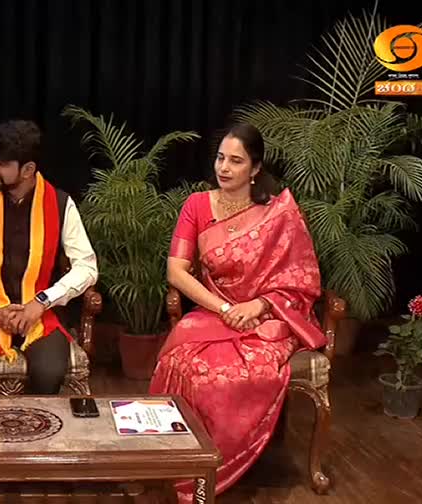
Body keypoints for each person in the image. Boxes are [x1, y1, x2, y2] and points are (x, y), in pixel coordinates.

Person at [149, 123, 326, 502]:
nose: (224, 168)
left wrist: (258, 305)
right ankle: (181, 464)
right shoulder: (197, 205)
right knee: (180, 362)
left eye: (236, 161)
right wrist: (226, 308)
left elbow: (301, 278)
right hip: (214, 312)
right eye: (220, 158)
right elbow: (176, 271)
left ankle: (216, 466)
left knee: (231, 375)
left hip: (267, 318)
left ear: (255, 168)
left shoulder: (278, 214)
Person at [0, 119, 98, 394]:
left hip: (42, 311)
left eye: (2, 164)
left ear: (28, 169)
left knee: (49, 372)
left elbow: (87, 267)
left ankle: (36, 423)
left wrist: (40, 302)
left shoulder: (61, 204)